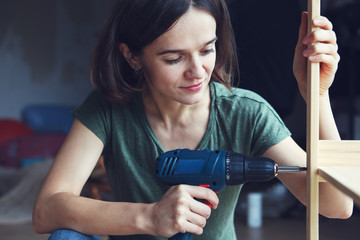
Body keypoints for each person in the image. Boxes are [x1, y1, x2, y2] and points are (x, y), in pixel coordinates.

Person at [32, 0, 353, 239]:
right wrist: (150, 217)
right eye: (174, 58)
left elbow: (337, 205)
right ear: (131, 55)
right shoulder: (109, 108)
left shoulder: (246, 112)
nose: (197, 71)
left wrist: (317, 94)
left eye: (207, 49)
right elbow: (47, 210)